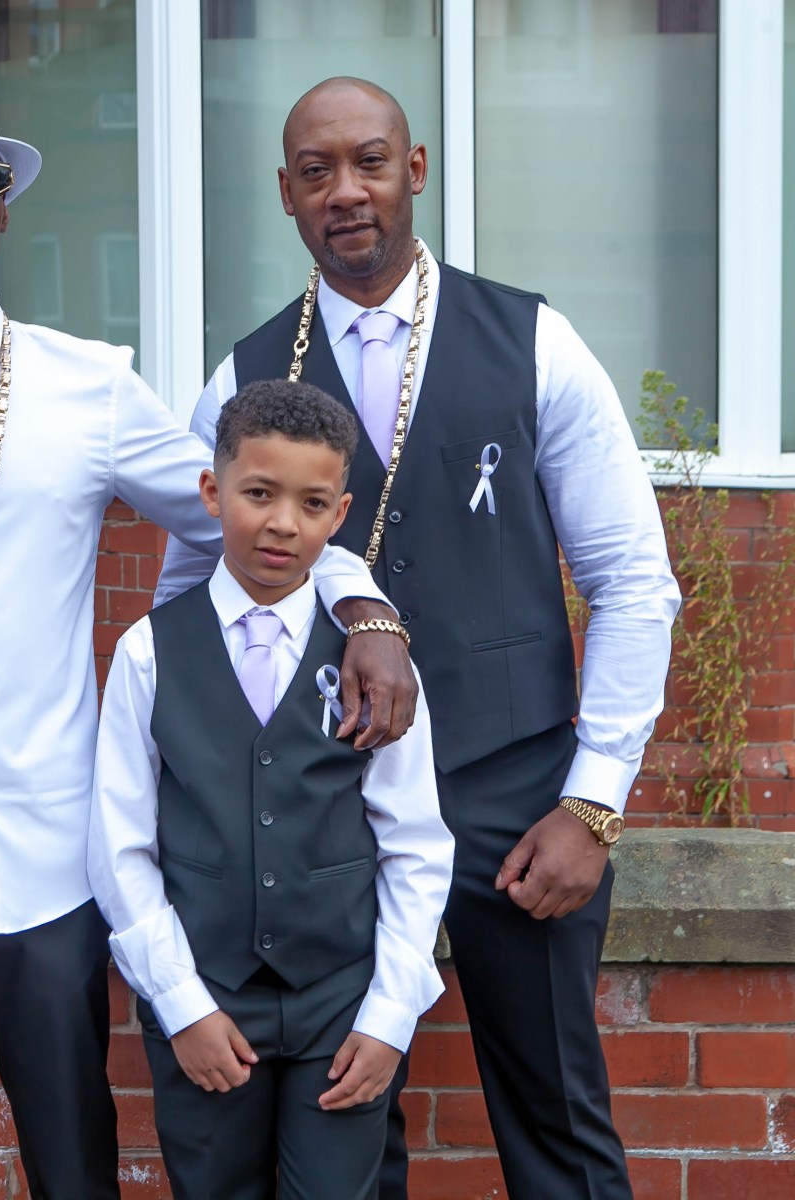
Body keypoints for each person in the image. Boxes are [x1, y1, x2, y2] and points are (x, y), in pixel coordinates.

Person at [0, 70, 407, 1200]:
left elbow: (253, 513)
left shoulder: (88, 389)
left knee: (76, 1170)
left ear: (5, 207)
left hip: (50, 857)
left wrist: (364, 606)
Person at [156, 77, 682, 1200]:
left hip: (516, 796)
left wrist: (592, 803)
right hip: (321, 806)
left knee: (558, 1120)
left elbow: (634, 581)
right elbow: (193, 604)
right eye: (317, 172)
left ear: (417, 170)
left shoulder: (533, 342)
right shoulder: (242, 377)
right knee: (344, 1129)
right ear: (286, 194)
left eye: (370, 162)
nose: (346, 191)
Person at [90, 379, 454, 1200]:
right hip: (207, 995)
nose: (284, 523)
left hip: (343, 1004)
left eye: (312, 503)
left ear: (340, 512)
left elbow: (414, 842)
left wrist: (390, 1014)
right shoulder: (149, 651)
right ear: (212, 492)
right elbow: (119, 846)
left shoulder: (377, 665)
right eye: (258, 494)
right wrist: (181, 1004)